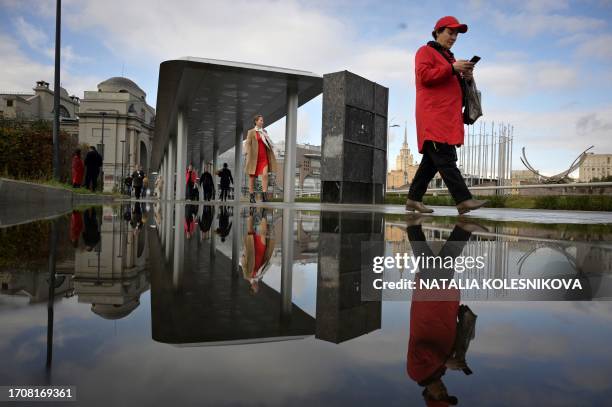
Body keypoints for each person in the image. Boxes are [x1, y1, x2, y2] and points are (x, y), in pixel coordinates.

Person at [405, 16, 487, 215]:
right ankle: (463, 200)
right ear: (438, 32)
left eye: (456, 34)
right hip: (434, 118)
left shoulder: (449, 58)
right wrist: (452, 68)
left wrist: (466, 77)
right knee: (447, 158)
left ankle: (413, 199)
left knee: (432, 162)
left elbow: (454, 86)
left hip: (447, 119)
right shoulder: (425, 51)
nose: (454, 37)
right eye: (450, 32)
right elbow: (424, 76)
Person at [405, 215, 483, 406]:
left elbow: (420, 350)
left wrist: (446, 361)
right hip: (441, 305)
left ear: (428, 395)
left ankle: (462, 229)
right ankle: (414, 224)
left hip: (429, 305)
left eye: (440, 396)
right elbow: (445, 338)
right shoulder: (439, 370)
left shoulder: (416, 373)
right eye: (446, 395)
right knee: (434, 262)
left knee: (442, 265)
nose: (444, 391)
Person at [240, 208, 274, 294]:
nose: (257, 287)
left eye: (256, 288)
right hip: (261, 252)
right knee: (263, 234)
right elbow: (266, 266)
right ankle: (263, 214)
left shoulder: (247, 276)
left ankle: (251, 211)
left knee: (250, 231)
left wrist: (244, 253)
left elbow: (243, 263)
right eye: (257, 288)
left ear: (251, 287)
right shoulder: (260, 277)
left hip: (252, 251)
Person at [245, 114, 277, 203]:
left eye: (262, 120)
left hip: (264, 158)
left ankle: (264, 195)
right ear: (256, 121)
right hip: (254, 158)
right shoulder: (251, 132)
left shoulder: (264, 131)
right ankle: (251, 196)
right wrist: (246, 151)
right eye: (261, 120)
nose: (262, 122)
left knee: (265, 175)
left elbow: (268, 142)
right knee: (252, 178)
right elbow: (248, 143)